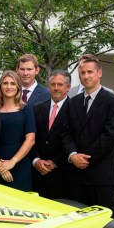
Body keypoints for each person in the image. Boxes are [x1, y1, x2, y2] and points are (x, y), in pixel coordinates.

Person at [61, 54, 114, 215]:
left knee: (106, 227)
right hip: (74, 177)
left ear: (99, 73)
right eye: (83, 73)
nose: (86, 76)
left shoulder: (112, 101)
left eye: (90, 72)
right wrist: (73, 155)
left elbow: (111, 135)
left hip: (100, 176)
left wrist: (86, 158)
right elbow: (65, 133)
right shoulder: (72, 102)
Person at [0, 71, 36, 191]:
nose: (9, 87)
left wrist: (12, 162)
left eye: (12, 83)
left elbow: (30, 140)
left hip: (20, 166)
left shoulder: (26, 109)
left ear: (18, 86)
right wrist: (0, 166)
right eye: (5, 83)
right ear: (0, 86)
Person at [32, 70, 71, 199]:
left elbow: (76, 139)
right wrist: (36, 160)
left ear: (68, 88)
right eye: (53, 84)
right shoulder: (37, 108)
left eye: (60, 85)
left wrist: (55, 162)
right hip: (37, 175)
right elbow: (31, 137)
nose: (56, 88)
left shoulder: (75, 109)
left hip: (63, 175)